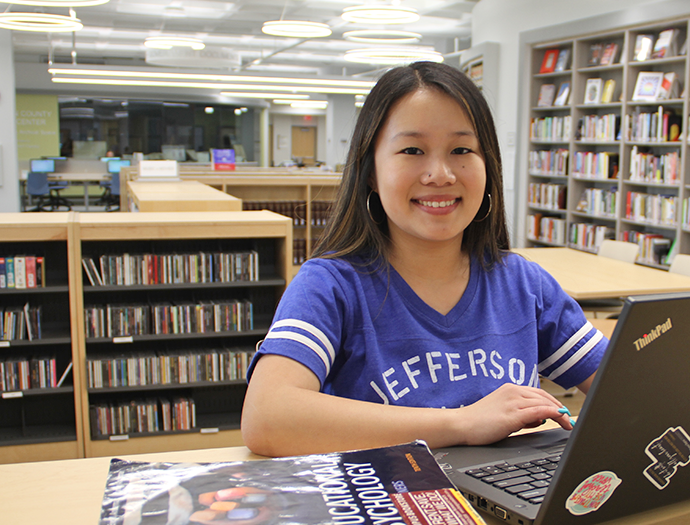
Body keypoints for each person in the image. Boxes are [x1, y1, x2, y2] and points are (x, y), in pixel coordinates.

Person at [241, 61, 608, 458]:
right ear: (370, 172)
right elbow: (267, 417)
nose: (440, 174)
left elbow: (626, 387)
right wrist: (463, 423)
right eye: (412, 150)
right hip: (388, 507)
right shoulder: (331, 285)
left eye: (462, 149)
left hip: (507, 510)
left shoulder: (523, 283)